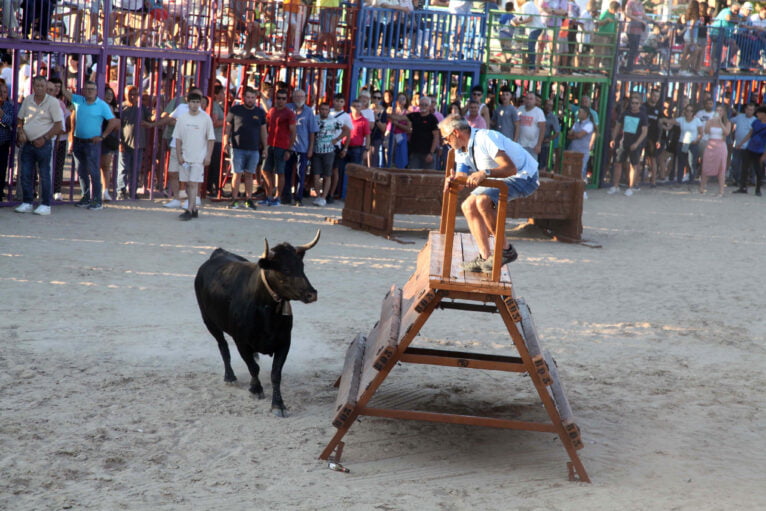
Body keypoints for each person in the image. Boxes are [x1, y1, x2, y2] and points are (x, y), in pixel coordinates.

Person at [439, 115, 539, 272]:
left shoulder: (486, 138)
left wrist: (484, 172)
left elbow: (510, 169)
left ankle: (506, 251)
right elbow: (462, 180)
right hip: (498, 177)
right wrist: (453, 182)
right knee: (467, 206)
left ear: (456, 133)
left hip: (524, 175)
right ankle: (485, 257)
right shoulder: (460, 149)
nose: (445, 142)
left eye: (446, 138)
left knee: (482, 201)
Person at [66, 81, 120, 211]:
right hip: (79, 141)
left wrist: (102, 136)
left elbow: (113, 121)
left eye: (92, 89)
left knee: (94, 171)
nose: (89, 91)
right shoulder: (78, 100)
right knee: (81, 171)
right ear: (83, 90)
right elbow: (65, 92)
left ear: (96, 91)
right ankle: (86, 197)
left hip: (92, 143)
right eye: (87, 89)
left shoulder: (102, 105)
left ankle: (97, 200)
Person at [15, 76, 64, 215]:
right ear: (33, 86)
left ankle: (45, 204)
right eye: (37, 85)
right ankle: (27, 202)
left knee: (44, 174)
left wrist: (45, 138)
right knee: (25, 173)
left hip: (44, 143)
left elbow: (58, 125)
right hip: (28, 142)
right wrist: (21, 131)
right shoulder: (28, 100)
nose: (40, 88)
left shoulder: (53, 102)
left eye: (42, 86)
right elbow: (20, 118)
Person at [173, 92, 215, 220]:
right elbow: (178, 138)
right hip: (186, 156)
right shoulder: (183, 118)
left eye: (198, 102)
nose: (195, 105)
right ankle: (194, 209)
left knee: (193, 183)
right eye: (193, 102)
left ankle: (189, 209)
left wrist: (208, 156)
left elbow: (211, 138)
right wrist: (179, 155)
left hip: (199, 157)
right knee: (187, 183)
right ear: (188, 102)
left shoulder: (206, 118)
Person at [224, 87, 267, 210]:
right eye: (248, 97)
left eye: (252, 98)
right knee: (236, 174)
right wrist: (226, 142)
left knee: (249, 174)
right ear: (243, 98)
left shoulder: (260, 112)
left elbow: (263, 131)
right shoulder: (235, 110)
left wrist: (265, 148)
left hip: (254, 149)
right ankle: (234, 199)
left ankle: (249, 199)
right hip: (238, 148)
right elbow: (228, 127)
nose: (250, 100)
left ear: (255, 98)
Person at [117, 85, 154, 200]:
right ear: (125, 94)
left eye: (135, 94)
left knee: (136, 169)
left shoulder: (141, 107)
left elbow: (151, 118)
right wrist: (119, 142)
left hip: (139, 144)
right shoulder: (121, 108)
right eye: (130, 93)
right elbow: (117, 126)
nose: (133, 96)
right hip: (124, 144)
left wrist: (156, 113)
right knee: (123, 169)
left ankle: (133, 191)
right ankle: (121, 191)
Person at [608, 93, 647, 196]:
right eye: (632, 103)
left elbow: (644, 131)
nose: (634, 105)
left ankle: (631, 187)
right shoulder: (625, 114)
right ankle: (615, 186)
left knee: (633, 165)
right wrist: (614, 138)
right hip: (623, 142)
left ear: (640, 104)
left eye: (636, 103)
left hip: (635, 143)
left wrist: (637, 143)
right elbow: (618, 126)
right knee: (618, 163)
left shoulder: (642, 116)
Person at [263, 88, 297, 206]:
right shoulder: (272, 111)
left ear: (286, 100)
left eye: (283, 99)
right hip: (270, 145)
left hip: (282, 146)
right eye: (278, 98)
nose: (280, 101)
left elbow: (293, 132)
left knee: (280, 172)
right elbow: (266, 126)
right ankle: (269, 195)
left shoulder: (289, 113)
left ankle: (277, 197)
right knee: (265, 170)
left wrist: (289, 149)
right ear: (275, 98)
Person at [284, 88, 318, 206]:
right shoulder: (288, 108)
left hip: (303, 147)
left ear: (305, 98)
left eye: (301, 96)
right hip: (288, 146)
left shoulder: (309, 112)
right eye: (297, 96)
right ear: (293, 98)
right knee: (286, 171)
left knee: (301, 173)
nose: (299, 99)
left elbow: (312, 132)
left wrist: (310, 148)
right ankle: (286, 195)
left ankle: (298, 197)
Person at [312, 101, 349, 206]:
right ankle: (318, 196)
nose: (324, 111)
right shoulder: (315, 119)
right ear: (319, 110)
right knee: (316, 175)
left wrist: (337, 139)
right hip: (316, 150)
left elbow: (347, 130)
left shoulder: (333, 121)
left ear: (329, 111)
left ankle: (324, 197)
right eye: (322, 109)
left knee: (328, 174)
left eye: (326, 109)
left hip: (328, 151)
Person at [660, 103, 703, 184]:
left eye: (691, 111)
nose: (689, 112)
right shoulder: (681, 119)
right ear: (685, 111)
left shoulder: (697, 121)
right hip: (683, 143)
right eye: (687, 110)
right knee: (681, 162)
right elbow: (671, 121)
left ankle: (691, 179)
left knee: (691, 163)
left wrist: (697, 140)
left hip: (692, 144)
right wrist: (662, 119)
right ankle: (679, 180)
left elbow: (701, 133)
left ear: (693, 112)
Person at [733, 105, 766, 196]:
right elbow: (750, 134)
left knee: (758, 170)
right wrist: (740, 143)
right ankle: (743, 186)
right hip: (750, 147)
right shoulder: (756, 122)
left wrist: (764, 154)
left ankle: (758, 189)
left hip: (759, 150)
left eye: (759, 113)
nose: (757, 114)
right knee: (745, 168)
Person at [699, 105, 731, 196]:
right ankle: (702, 187)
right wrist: (710, 122)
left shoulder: (727, 122)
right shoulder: (710, 121)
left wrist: (720, 122)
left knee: (721, 167)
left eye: (720, 110)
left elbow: (727, 132)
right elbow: (706, 131)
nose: (718, 112)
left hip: (720, 145)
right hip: (710, 144)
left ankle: (721, 190)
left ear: (723, 112)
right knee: (706, 165)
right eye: (717, 110)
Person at [406, 95, 440, 169]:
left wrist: (431, 153)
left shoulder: (433, 119)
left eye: (426, 105)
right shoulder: (414, 116)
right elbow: (401, 117)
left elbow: (436, 137)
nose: (423, 106)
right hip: (415, 153)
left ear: (430, 106)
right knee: (413, 176)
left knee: (428, 177)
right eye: (422, 104)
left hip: (428, 153)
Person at [643, 88, 667, 187]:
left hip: (653, 137)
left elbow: (661, 125)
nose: (655, 98)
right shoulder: (643, 107)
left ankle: (653, 181)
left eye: (657, 96)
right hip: (642, 135)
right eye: (654, 95)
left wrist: (658, 139)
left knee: (652, 158)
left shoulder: (659, 109)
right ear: (650, 95)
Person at [100, 86, 120, 201]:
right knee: (94, 165)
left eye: (111, 94)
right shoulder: (97, 107)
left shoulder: (115, 108)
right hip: (95, 137)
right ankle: (94, 190)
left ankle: (105, 191)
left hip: (108, 139)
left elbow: (117, 125)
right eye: (106, 93)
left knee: (106, 166)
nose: (109, 96)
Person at [729, 103, 756, 186]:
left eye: (751, 110)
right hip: (737, 145)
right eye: (748, 109)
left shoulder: (755, 121)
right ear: (745, 110)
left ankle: (746, 181)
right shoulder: (740, 117)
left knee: (746, 165)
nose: (749, 111)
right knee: (735, 163)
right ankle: (736, 180)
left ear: (754, 111)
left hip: (748, 147)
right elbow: (730, 121)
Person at [567, 106, 594, 186]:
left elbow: (579, 135)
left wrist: (575, 135)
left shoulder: (589, 124)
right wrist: (576, 135)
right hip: (573, 150)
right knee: (571, 170)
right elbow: (569, 135)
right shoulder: (576, 123)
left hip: (583, 152)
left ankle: (582, 191)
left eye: (580, 112)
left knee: (580, 171)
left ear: (585, 114)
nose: (578, 114)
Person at [0, 80, 17, 202]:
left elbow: (10, 122)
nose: (2, 94)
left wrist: (1, 114)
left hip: (3, 143)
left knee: (1, 169)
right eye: (0, 91)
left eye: (4, 92)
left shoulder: (9, 106)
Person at [515, 92, 546, 159]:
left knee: (531, 167)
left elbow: (542, 129)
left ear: (535, 101)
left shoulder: (539, 112)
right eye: (527, 98)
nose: (529, 100)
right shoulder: (520, 109)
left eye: (531, 99)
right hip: (520, 144)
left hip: (532, 146)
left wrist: (539, 145)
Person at [388, 92, 412, 169]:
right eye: (399, 98)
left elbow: (409, 129)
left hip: (401, 136)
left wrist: (398, 124)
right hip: (390, 135)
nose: (401, 101)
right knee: (388, 156)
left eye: (403, 99)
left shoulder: (408, 113)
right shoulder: (391, 111)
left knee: (401, 159)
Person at [346, 98, 371, 167]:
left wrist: (366, 150)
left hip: (357, 149)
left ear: (361, 108)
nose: (356, 108)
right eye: (354, 106)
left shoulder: (364, 121)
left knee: (355, 170)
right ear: (351, 108)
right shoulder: (346, 117)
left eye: (358, 106)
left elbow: (368, 136)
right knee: (341, 170)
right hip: (344, 147)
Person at [540, 97, 561, 171]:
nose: (549, 107)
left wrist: (549, 139)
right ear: (544, 105)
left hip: (544, 144)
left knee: (542, 165)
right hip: (533, 141)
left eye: (551, 105)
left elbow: (557, 132)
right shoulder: (539, 113)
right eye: (547, 105)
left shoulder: (553, 117)